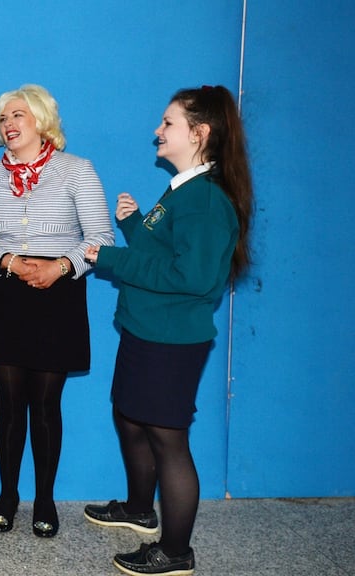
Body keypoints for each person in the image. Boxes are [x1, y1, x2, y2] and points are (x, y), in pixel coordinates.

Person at [82, 85, 253, 576]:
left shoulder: (203, 200)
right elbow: (166, 255)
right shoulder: (184, 190)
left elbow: (192, 278)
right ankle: (139, 509)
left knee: (167, 439)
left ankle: (176, 552)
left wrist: (111, 256)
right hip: (148, 330)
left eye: (169, 123)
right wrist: (134, 225)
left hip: (171, 340)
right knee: (132, 419)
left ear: (200, 133)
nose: (158, 131)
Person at [0, 84, 114, 538]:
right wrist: (8, 262)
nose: (8, 124)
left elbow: (102, 240)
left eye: (18, 115)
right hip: (5, 296)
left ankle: (44, 499)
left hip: (58, 297)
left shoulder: (77, 171)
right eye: (3, 118)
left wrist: (61, 266)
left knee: (46, 405)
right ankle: (8, 495)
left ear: (43, 120)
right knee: (9, 405)